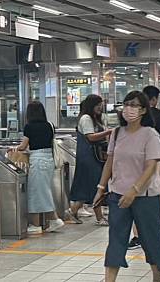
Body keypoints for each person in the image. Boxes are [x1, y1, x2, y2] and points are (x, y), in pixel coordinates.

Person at [94, 91, 160, 282]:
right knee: (116, 239)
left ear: (143, 110)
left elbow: (151, 167)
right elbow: (110, 161)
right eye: (127, 104)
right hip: (118, 195)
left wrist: (134, 191)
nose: (129, 109)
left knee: (151, 239)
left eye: (134, 105)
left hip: (145, 196)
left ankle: (157, 276)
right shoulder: (117, 133)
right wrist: (101, 188)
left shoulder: (150, 134)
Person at [128, 86, 160, 249]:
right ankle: (158, 223)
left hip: (136, 165)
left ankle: (137, 235)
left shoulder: (132, 119)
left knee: (137, 196)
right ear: (154, 99)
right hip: (158, 162)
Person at [10, 101, 65, 234]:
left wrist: (14, 148)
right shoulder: (49, 125)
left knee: (36, 192)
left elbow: (23, 146)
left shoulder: (29, 127)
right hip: (49, 159)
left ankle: (43, 222)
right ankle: (48, 221)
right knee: (43, 190)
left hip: (38, 159)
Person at [66, 95, 112, 226]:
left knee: (88, 186)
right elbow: (90, 137)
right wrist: (108, 132)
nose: (100, 107)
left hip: (96, 157)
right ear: (91, 105)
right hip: (88, 157)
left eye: (101, 105)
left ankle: (73, 210)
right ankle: (99, 217)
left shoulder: (97, 119)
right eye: (98, 105)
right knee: (96, 185)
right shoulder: (86, 119)